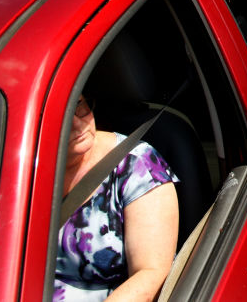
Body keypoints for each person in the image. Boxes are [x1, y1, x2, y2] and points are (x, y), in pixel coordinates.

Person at [55, 95, 179, 300]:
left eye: (79, 105)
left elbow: (151, 274)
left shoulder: (137, 165)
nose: (77, 122)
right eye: (62, 115)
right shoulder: (16, 166)